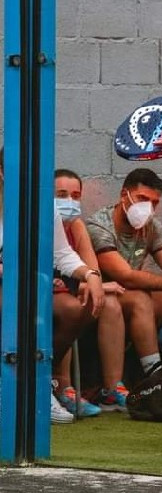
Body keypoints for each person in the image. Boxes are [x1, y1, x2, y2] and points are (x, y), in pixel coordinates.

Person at [0, 147, 105, 424]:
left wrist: (90, 274)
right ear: (2, 173)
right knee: (21, 298)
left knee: (74, 309)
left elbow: (62, 254)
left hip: (27, 284)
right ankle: (8, 384)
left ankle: (37, 382)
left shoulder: (45, 207)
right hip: (11, 284)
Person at [85, 168, 162, 383]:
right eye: (142, 199)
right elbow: (125, 276)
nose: (148, 208)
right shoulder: (99, 225)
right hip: (102, 299)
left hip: (132, 298)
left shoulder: (152, 227)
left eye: (154, 202)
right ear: (124, 195)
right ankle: (154, 377)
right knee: (141, 297)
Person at [54, 169, 128, 412]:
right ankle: (62, 387)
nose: (69, 202)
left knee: (110, 303)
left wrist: (92, 281)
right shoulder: (38, 218)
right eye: (61, 195)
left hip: (70, 287)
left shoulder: (76, 225)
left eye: (75, 196)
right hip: (48, 290)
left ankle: (112, 389)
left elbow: (91, 269)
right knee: (68, 305)